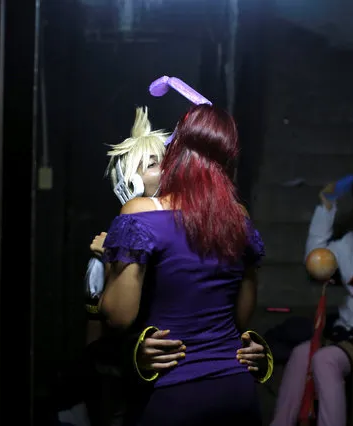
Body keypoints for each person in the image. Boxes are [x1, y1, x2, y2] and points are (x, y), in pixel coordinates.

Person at [98, 104, 270, 426]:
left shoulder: (139, 214)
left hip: (173, 389)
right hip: (236, 389)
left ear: (175, 153)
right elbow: (242, 316)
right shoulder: (239, 218)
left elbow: (117, 317)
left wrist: (110, 258)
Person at [270, 182, 353, 426]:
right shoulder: (350, 242)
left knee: (324, 360)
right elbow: (317, 261)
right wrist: (326, 210)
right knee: (300, 353)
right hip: (346, 335)